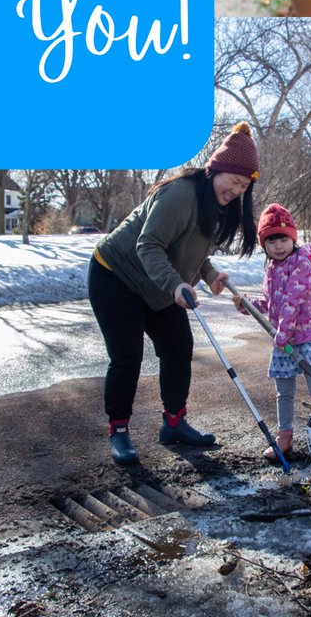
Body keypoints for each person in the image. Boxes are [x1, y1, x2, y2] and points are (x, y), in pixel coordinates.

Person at [88, 123, 259, 466]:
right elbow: (148, 245)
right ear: (215, 169)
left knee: (178, 347)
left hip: (157, 282)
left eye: (244, 186)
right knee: (127, 357)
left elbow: (189, 248)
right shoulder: (181, 195)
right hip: (116, 274)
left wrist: (209, 274)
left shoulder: (215, 203)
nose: (236, 191)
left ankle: (174, 423)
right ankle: (119, 431)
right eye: (233, 181)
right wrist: (176, 284)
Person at [234, 204, 311, 462]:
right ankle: (284, 437)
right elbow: (274, 303)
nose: (278, 246)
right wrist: (249, 306)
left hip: (305, 336)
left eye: (283, 239)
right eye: (271, 241)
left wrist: (282, 334)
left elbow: (293, 301)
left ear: (293, 238)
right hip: (283, 339)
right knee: (284, 391)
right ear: (264, 245)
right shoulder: (272, 269)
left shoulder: (303, 263)